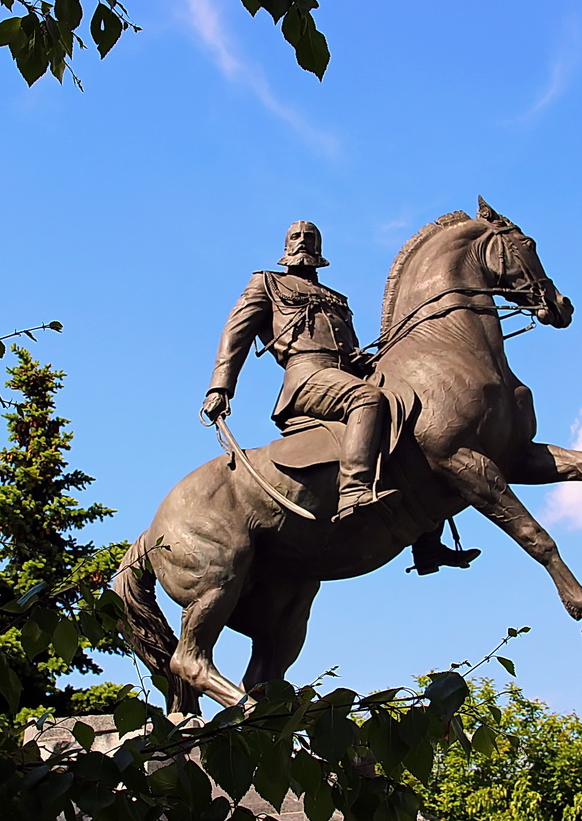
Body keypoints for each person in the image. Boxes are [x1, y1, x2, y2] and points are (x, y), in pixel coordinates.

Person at [201, 222, 481, 572]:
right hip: (306, 377)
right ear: (286, 245)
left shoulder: (336, 298)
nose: (303, 241)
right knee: (368, 400)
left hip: (344, 375)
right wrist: (220, 387)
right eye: (296, 237)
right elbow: (235, 334)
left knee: (418, 426)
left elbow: (348, 346)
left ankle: (427, 546)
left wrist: (361, 359)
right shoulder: (267, 283)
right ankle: (353, 490)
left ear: (319, 247)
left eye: (310, 238)